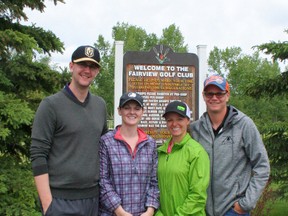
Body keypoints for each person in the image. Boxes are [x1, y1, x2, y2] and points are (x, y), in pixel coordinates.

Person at [30, 45, 108, 216]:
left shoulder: (100, 105)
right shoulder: (51, 105)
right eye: (82, 65)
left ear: (97, 71)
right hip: (59, 201)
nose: (87, 70)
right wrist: (47, 205)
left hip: (93, 200)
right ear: (72, 66)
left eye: (92, 66)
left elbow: (103, 149)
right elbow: (38, 154)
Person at [190, 74, 270, 216]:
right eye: (209, 93)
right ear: (203, 96)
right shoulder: (195, 129)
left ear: (227, 96)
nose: (214, 98)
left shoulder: (244, 125)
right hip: (202, 210)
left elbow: (262, 166)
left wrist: (245, 204)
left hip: (233, 210)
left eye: (219, 93)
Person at [99, 92, 159, 216]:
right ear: (119, 111)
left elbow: (154, 181)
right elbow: (102, 181)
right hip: (112, 213)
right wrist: (119, 211)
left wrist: (150, 209)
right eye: (127, 108)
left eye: (137, 108)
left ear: (142, 111)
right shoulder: (106, 141)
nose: (132, 112)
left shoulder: (150, 144)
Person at [156, 101, 210, 216]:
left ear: (187, 120)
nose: (174, 124)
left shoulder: (197, 152)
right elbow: (155, 188)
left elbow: (198, 195)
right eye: (170, 120)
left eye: (179, 119)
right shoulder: (161, 152)